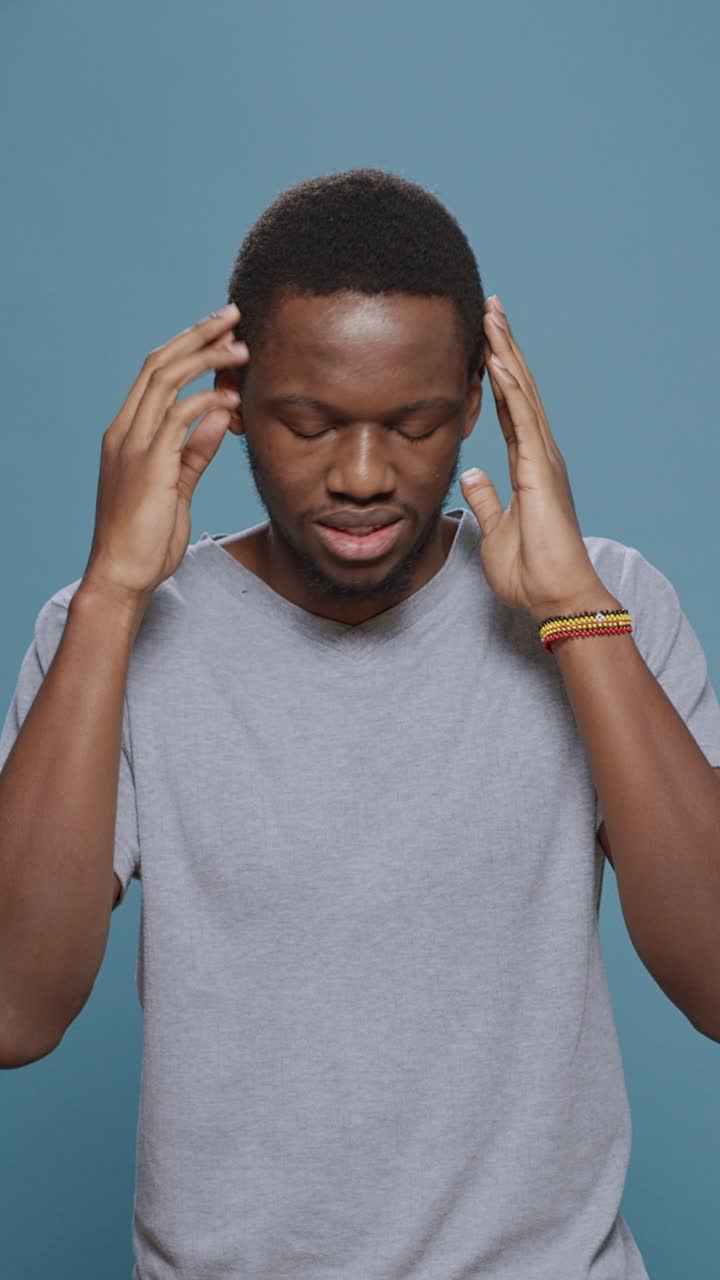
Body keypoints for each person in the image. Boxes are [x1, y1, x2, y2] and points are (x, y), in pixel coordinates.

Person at [1, 169, 720, 1280]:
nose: (365, 476)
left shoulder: (607, 603)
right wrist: (106, 599)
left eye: (416, 423)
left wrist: (577, 614)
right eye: (309, 423)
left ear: (480, 401)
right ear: (232, 400)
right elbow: (13, 1009)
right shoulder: (111, 634)